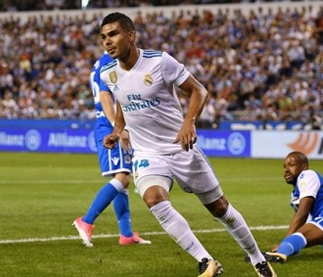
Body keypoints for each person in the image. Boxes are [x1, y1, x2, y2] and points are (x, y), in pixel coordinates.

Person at [100, 12, 276, 277]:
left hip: (180, 147)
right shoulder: (108, 73)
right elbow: (123, 102)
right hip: (148, 152)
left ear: (130, 35)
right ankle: (206, 261)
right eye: (103, 37)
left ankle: (258, 260)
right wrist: (117, 129)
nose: (107, 41)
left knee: (220, 209)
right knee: (154, 199)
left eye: (113, 34)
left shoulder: (159, 62)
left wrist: (189, 122)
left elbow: (199, 90)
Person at [72, 52, 151, 247]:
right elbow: (106, 98)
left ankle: (126, 234)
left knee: (123, 181)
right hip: (109, 127)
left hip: (112, 125)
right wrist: (119, 128)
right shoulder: (110, 63)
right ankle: (86, 221)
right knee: (123, 176)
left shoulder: (102, 62)